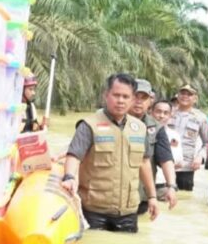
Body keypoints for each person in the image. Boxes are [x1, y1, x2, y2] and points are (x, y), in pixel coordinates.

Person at [61, 73, 159, 233]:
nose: (121, 100)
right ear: (106, 95)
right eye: (116, 95)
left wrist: (152, 197)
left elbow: (144, 162)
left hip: (128, 212)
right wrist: (69, 177)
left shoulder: (140, 129)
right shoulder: (89, 125)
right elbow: (74, 156)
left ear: (132, 99)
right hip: (93, 211)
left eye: (126, 97)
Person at [129, 79, 177, 213]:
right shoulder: (111, 121)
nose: (139, 101)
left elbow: (166, 159)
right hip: (111, 194)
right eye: (135, 96)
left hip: (141, 194)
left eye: (143, 98)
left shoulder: (156, 128)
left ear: (150, 101)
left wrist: (171, 187)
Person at [168, 84, 208, 191]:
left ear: (195, 99)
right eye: (182, 93)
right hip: (164, 163)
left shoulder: (201, 117)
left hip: (186, 167)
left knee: (184, 197)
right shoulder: (168, 113)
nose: (185, 96)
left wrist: (200, 157)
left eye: (189, 94)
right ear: (177, 95)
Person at [151, 99, 184, 187]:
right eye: (158, 112)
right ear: (151, 112)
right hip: (146, 181)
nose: (161, 116)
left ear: (170, 115)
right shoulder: (143, 131)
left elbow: (179, 162)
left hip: (165, 183)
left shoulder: (174, 135)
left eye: (166, 113)